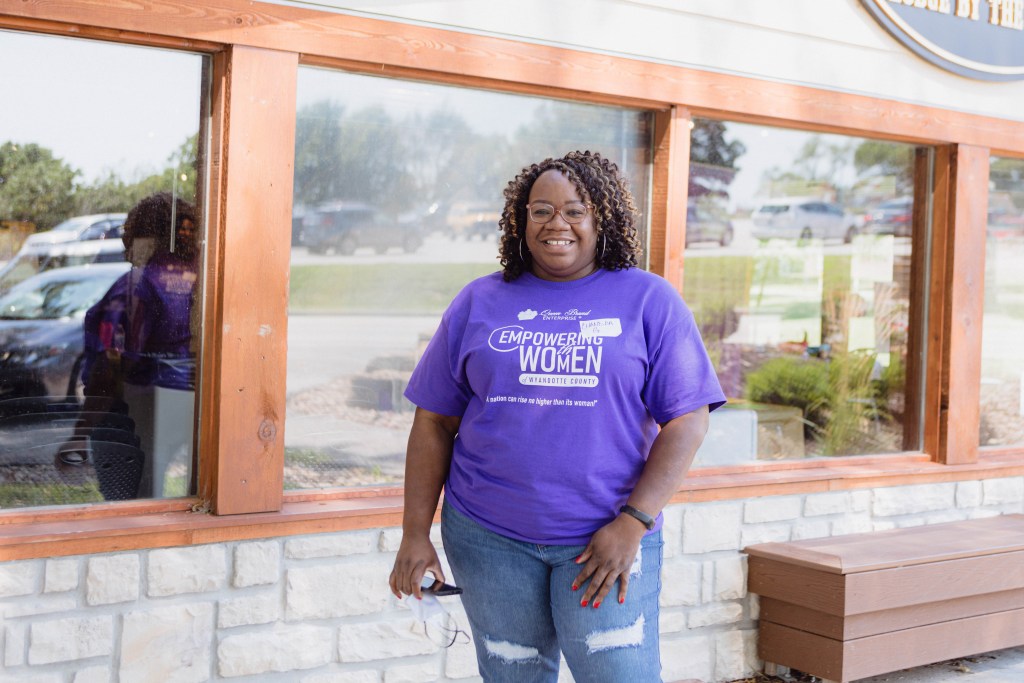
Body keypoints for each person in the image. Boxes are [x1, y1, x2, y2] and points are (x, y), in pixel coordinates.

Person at [389, 150, 726, 682]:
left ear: (602, 220)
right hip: (487, 536)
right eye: (540, 210)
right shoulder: (480, 301)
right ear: (521, 222)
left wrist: (634, 522)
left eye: (575, 210)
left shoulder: (648, 299)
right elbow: (433, 421)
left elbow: (688, 420)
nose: (556, 224)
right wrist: (414, 534)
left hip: (605, 539)